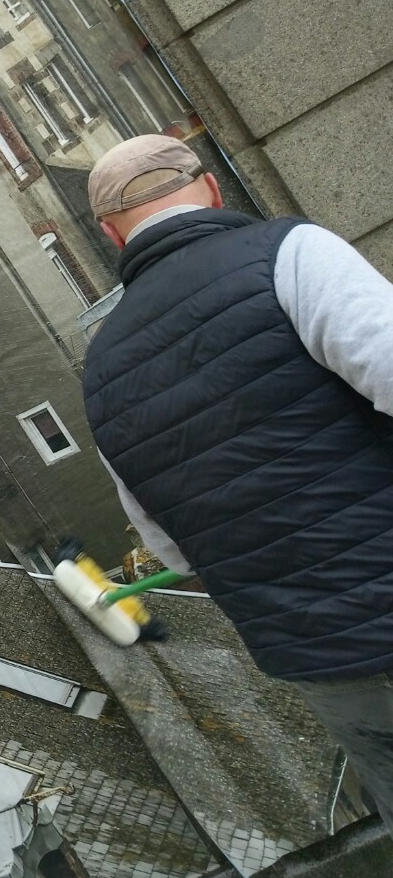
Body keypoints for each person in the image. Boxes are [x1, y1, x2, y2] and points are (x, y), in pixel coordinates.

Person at [81, 134, 393, 815]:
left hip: (324, 662)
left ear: (112, 235)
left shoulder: (100, 375)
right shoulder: (289, 255)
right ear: (213, 187)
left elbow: (169, 549)